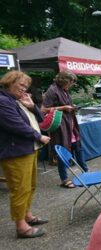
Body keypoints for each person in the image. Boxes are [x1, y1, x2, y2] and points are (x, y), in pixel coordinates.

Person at [0, 71, 51, 238]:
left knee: (30, 186)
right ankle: (21, 227)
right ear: (9, 82)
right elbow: (16, 126)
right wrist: (39, 136)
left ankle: (27, 215)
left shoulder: (17, 100)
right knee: (20, 189)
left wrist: (31, 106)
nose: (24, 89)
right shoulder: (3, 101)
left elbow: (40, 118)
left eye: (26, 86)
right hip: (15, 152)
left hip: (28, 149)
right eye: (21, 85)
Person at [42, 70, 88, 188]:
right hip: (61, 127)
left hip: (71, 125)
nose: (71, 85)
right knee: (63, 151)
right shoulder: (52, 90)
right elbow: (44, 109)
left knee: (78, 148)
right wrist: (63, 107)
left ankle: (85, 173)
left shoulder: (64, 90)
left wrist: (72, 108)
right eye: (70, 82)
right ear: (64, 80)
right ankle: (64, 179)